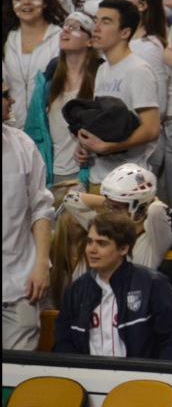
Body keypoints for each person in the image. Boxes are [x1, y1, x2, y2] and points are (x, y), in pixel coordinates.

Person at [54, 212, 172, 359]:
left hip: (139, 378)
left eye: (102, 243)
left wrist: (155, 376)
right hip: (89, 378)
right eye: (89, 241)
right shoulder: (76, 290)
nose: (92, 250)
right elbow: (63, 341)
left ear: (123, 249)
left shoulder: (152, 284)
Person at [76, 0, 160, 190]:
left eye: (106, 22)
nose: (96, 28)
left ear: (125, 32)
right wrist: (85, 146)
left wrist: (110, 148)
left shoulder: (139, 70)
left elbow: (151, 128)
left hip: (129, 181)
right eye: (96, 20)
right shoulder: (103, 69)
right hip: (100, 175)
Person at [24, 11, 101, 195]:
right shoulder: (48, 81)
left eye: (74, 27)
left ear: (90, 41)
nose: (65, 30)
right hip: (52, 174)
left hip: (86, 173)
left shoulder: (101, 78)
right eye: (65, 25)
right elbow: (33, 131)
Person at [1, 89, 53, 350]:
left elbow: (41, 209)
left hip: (21, 286)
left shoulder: (23, 144)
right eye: (4, 95)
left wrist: (42, 264)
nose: (12, 101)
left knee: (18, 381)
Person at [3, 0, 63, 130]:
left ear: (45, 2)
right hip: (13, 128)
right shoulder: (7, 39)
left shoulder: (61, 37)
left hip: (51, 127)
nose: (26, 3)